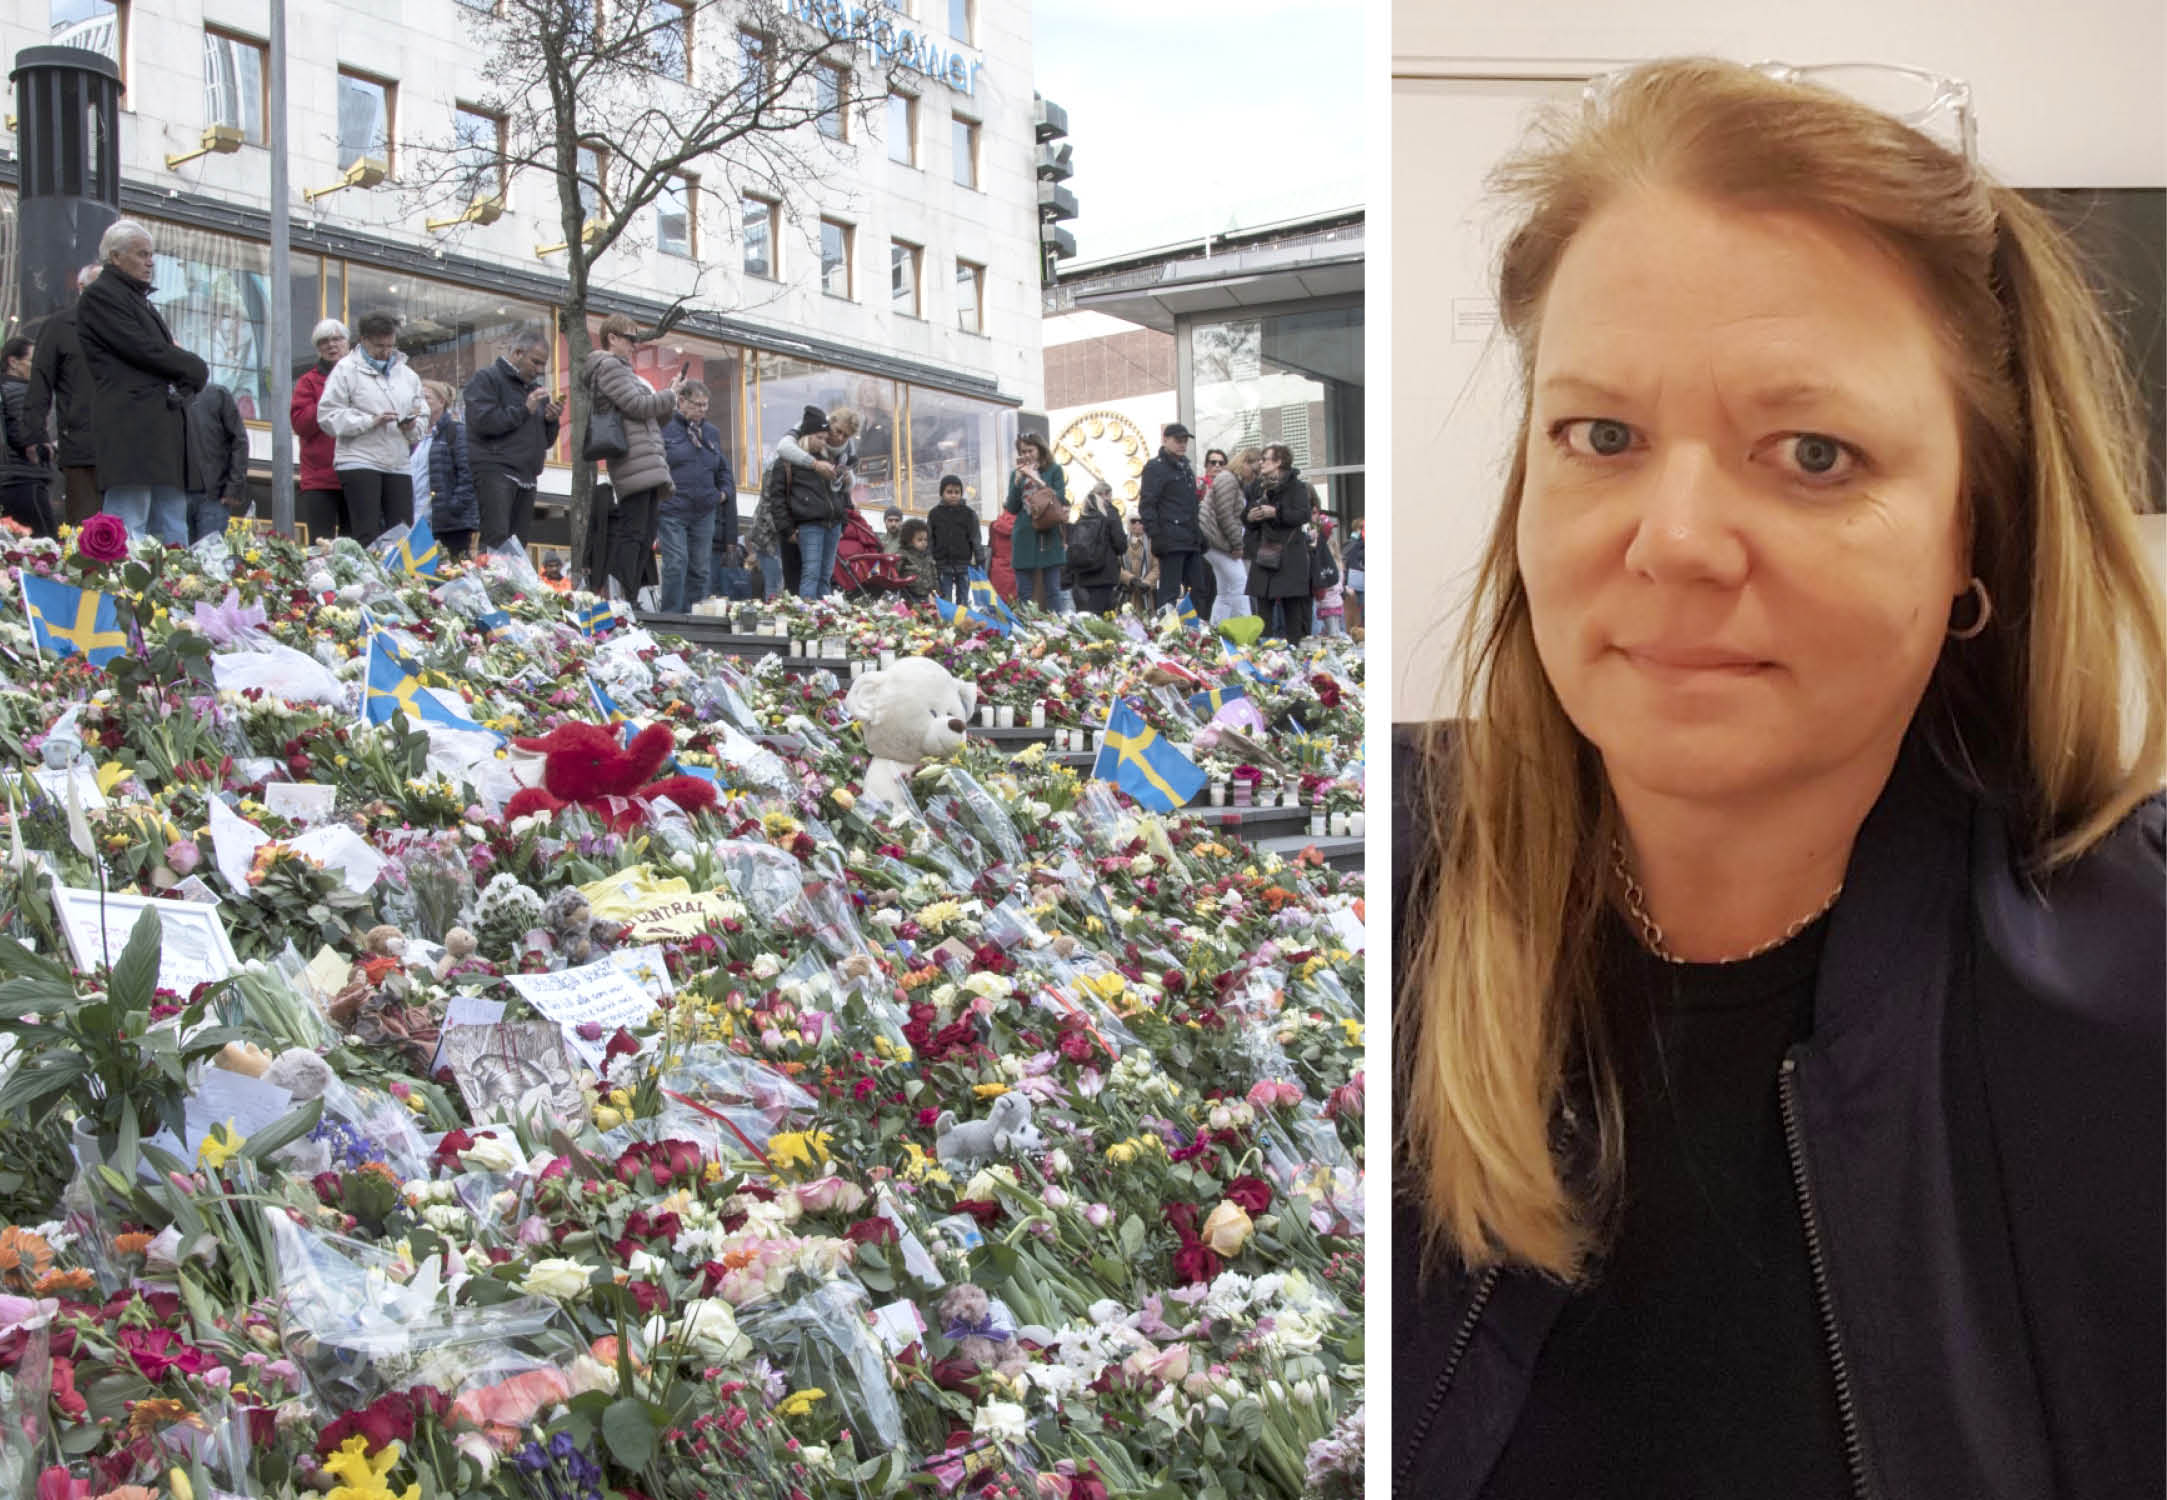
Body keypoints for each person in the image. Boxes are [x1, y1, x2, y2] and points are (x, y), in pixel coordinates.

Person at [1392, 59, 2167, 1500]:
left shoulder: (2133, 1011)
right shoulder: (1367, 893)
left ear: (1969, 542)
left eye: (1811, 454)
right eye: (1599, 436)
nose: (1673, 540)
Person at [76, 220, 208, 544]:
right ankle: (120, 588)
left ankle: (174, 588)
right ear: (115, 257)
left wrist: (187, 371)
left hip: (158, 426)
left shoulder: (137, 299)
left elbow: (157, 352)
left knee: (170, 520)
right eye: (142, 254)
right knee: (128, 519)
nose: (150, 262)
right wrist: (193, 366)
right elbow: (143, 348)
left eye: (152, 254)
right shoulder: (102, 296)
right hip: (131, 424)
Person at [582, 313, 683, 602]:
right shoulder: (610, 367)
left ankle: (626, 596)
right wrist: (669, 394)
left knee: (643, 534)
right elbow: (637, 406)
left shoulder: (623, 372)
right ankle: (618, 597)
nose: (634, 345)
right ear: (612, 338)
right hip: (633, 462)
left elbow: (647, 416)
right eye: (630, 338)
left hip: (643, 460)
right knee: (634, 532)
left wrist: (666, 401)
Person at [316, 310, 427, 545]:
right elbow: (327, 416)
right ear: (364, 340)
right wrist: (369, 421)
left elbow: (422, 411)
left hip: (397, 461)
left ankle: (399, 580)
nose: (386, 352)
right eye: (379, 346)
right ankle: (366, 580)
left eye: (390, 346)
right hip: (359, 458)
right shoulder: (345, 370)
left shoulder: (407, 375)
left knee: (401, 532)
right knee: (366, 530)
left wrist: (412, 426)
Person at [463, 327, 563, 552]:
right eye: (535, 362)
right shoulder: (486, 379)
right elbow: (483, 422)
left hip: (527, 474)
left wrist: (550, 420)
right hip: (496, 468)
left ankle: (511, 587)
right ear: (517, 353)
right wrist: (524, 410)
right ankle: (492, 585)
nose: (539, 370)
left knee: (517, 546)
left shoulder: (537, 391)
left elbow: (545, 442)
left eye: (542, 365)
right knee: (496, 539)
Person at [23, 265, 100, 527]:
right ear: (82, 289)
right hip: (81, 443)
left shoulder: (129, 327)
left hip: (126, 449)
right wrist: (35, 434)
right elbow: (40, 383)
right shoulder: (59, 327)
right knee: (86, 531)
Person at [658, 379, 734, 613]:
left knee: (700, 568)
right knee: (675, 564)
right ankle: (671, 616)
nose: (702, 410)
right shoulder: (664, 426)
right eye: (697, 404)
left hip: (704, 510)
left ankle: (695, 616)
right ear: (681, 401)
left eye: (705, 405)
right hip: (673, 508)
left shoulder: (711, 432)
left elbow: (723, 468)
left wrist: (723, 493)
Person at [772, 405, 857, 600]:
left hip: (831, 521)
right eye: (821, 437)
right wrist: (787, 528)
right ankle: (808, 614)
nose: (838, 439)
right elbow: (777, 497)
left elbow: (841, 494)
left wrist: (842, 518)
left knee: (824, 575)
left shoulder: (835, 458)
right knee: (810, 573)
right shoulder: (792, 459)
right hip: (809, 521)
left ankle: (822, 614)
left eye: (846, 435)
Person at [1244, 444, 1313, 642]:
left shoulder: (1297, 487)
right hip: (1265, 552)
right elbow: (1245, 516)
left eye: (1265, 459)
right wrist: (1250, 516)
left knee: (1292, 609)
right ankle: (1264, 655)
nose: (1261, 462)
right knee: (1263, 610)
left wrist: (1276, 513)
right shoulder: (1257, 487)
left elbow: (1303, 514)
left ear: (1278, 462)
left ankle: (1294, 651)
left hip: (1289, 555)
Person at [290, 319, 349, 542]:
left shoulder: (362, 378)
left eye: (337, 339)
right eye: (324, 341)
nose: (331, 345)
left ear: (347, 342)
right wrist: (329, 398)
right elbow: (301, 424)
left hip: (357, 472)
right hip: (320, 478)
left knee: (354, 546)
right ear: (318, 348)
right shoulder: (307, 383)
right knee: (320, 544)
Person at [1137, 421, 1204, 611]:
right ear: (1165, 440)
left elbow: (1191, 506)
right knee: (1169, 592)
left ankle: (1196, 633)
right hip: (1170, 538)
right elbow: (1147, 505)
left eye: (1185, 441)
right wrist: (1156, 536)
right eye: (1178, 440)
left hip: (1190, 538)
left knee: (1199, 589)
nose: (1182, 444)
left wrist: (1199, 535)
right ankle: (1167, 634)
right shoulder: (1155, 468)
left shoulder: (1185, 468)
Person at [1003, 432, 1071, 612]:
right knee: (1024, 592)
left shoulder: (1054, 470)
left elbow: (1060, 498)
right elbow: (1011, 508)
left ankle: (1058, 629)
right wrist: (1017, 483)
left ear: (1040, 450)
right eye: (1022, 451)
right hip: (1024, 535)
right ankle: (1029, 629)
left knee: (1053, 591)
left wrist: (1037, 479)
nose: (1026, 455)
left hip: (1048, 534)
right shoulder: (1016, 474)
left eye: (1030, 450)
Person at [0, 337, 56, 537]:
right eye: (32, 361)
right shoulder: (21, 390)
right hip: (26, 481)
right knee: (46, 548)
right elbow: (23, 436)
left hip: (9, 482)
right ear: (13, 362)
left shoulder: (4, 389)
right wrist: (49, 448)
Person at [182, 381, 249, 543]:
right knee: (177, 562)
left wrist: (233, 488)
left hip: (213, 496)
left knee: (210, 560)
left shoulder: (217, 394)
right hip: (177, 496)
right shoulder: (166, 394)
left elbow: (239, 441)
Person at [422, 381, 478, 559]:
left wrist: (453, 507)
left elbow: (468, 474)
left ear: (442, 401)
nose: (421, 402)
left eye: (427, 398)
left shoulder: (456, 431)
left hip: (451, 523)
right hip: (421, 519)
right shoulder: (415, 436)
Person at [1199, 446, 1253, 623]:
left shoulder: (1228, 480)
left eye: (1221, 462)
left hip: (1214, 541)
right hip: (1217, 541)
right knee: (1240, 583)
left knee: (1225, 589)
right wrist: (1237, 545)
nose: (1255, 473)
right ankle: (1245, 629)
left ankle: (1217, 630)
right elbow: (1225, 515)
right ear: (1245, 463)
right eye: (1254, 468)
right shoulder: (1228, 479)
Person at [1065, 482, 1126, 615]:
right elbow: (1121, 545)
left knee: (1087, 618)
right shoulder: (1110, 512)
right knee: (1104, 620)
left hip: (1083, 576)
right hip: (1105, 574)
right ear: (1107, 495)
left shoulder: (1083, 514)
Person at [928, 474, 981, 603]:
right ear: (942, 493)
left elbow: (975, 537)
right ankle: (947, 622)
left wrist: (980, 559)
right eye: (949, 492)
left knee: (963, 598)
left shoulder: (969, 514)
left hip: (963, 563)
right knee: (945, 597)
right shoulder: (934, 514)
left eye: (957, 492)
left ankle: (963, 620)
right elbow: (930, 538)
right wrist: (929, 558)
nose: (953, 495)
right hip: (942, 563)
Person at [1120, 515, 1157, 616]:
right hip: (1126, 593)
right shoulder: (1121, 542)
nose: (1137, 524)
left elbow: (1157, 567)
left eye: (1140, 521)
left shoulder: (1152, 543)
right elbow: (1116, 566)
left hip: (1145, 594)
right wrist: (1130, 579)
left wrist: (1147, 582)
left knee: (1146, 625)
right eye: (1133, 521)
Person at [895, 517, 936, 601]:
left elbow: (934, 575)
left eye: (925, 539)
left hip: (926, 596)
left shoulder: (927, 557)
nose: (924, 542)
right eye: (920, 540)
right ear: (908, 540)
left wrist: (936, 590)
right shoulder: (902, 555)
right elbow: (894, 574)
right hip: (908, 597)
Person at [988, 506, 1019, 603]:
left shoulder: (995, 525)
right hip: (1017, 571)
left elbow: (992, 547)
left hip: (997, 570)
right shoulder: (1024, 527)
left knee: (999, 608)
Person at [1342, 523, 1365, 633]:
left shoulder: (1356, 543)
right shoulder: (1353, 543)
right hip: (1358, 580)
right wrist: (1346, 582)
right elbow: (1346, 561)